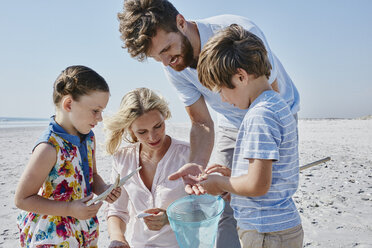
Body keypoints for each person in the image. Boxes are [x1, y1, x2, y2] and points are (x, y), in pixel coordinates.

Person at [118, 1, 300, 247]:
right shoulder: (172, 66)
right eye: (156, 57)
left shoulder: (239, 33)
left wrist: (234, 180)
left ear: (181, 23)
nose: (165, 62)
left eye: (167, 48)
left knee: (260, 191)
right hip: (231, 124)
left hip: (268, 113)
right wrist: (197, 163)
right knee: (222, 203)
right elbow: (202, 121)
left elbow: (267, 98)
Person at [195, 24, 303, 248]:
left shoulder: (259, 115)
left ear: (241, 76)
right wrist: (234, 175)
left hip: (266, 232)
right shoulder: (277, 105)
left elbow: (258, 185)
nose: (223, 100)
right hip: (280, 228)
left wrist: (220, 183)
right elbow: (267, 178)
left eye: (222, 90)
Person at [14, 65, 121, 247]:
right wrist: (69, 209)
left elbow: (92, 176)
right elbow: (22, 199)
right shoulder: (48, 148)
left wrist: (104, 189)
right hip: (53, 233)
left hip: (82, 227)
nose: (100, 118)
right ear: (69, 104)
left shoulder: (88, 138)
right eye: (96, 110)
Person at [104, 87, 189, 248]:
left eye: (158, 126)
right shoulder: (123, 158)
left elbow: (206, 210)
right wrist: (118, 238)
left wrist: (170, 219)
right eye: (142, 132)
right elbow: (117, 210)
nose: (152, 136)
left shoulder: (188, 154)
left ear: (165, 117)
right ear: (130, 130)